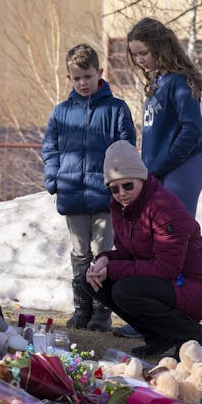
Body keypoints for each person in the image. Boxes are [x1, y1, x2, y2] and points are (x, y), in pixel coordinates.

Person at [116, 18, 202, 340]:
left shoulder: (179, 82)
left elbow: (191, 131)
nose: (140, 60)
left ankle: (177, 315)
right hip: (159, 170)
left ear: (159, 47)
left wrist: (162, 166)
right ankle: (150, 310)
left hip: (183, 168)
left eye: (143, 53)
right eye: (135, 55)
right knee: (152, 239)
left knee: (172, 242)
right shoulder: (157, 83)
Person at [83, 140, 202, 358]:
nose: (121, 193)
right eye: (114, 188)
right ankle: (159, 337)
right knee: (92, 281)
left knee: (125, 290)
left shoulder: (164, 207)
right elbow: (128, 253)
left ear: (142, 178)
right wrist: (104, 260)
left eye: (127, 185)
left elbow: (167, 268)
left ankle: (193, 336)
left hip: (197, 286)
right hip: (169, 281)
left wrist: (113, 269)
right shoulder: (121, 207)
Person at [42, 44, 136, 332]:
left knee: (102, 252)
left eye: (87, 76)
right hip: (71, 194)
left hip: (105, 196)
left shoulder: (116, 109)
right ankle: (81, 309)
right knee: (79, 252)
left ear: (100, 73)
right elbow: (50, 148)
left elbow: (126, 147)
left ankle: (101, 311)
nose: (82, 83)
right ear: (69, 78)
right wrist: (53, 178)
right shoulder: (61, 113)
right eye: (76, 78)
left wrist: (119, 186)